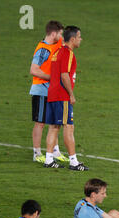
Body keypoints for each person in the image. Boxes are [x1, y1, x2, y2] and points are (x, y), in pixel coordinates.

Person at [44, 25, 88, 171]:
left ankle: (49, 159)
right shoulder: (68, 53)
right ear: (73, 38)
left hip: (52, 94)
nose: (81, 39)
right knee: (69, 127)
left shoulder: (57, 52)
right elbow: (64, 75)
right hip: (62, 96)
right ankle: (73, 161)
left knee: (53, 127)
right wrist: (71, 94)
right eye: (79, 36)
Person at [29, 20, 68, 164]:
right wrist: (53, 77)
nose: (62, 36)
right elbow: (33, 70)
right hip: (41, 90)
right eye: (60, 33)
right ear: (53, 33)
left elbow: (65, 43)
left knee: (53, 122)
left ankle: (55, 151)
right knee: (40, 123)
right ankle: (37, 152)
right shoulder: (43, 50)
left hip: (52, 91)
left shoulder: (57, 43)